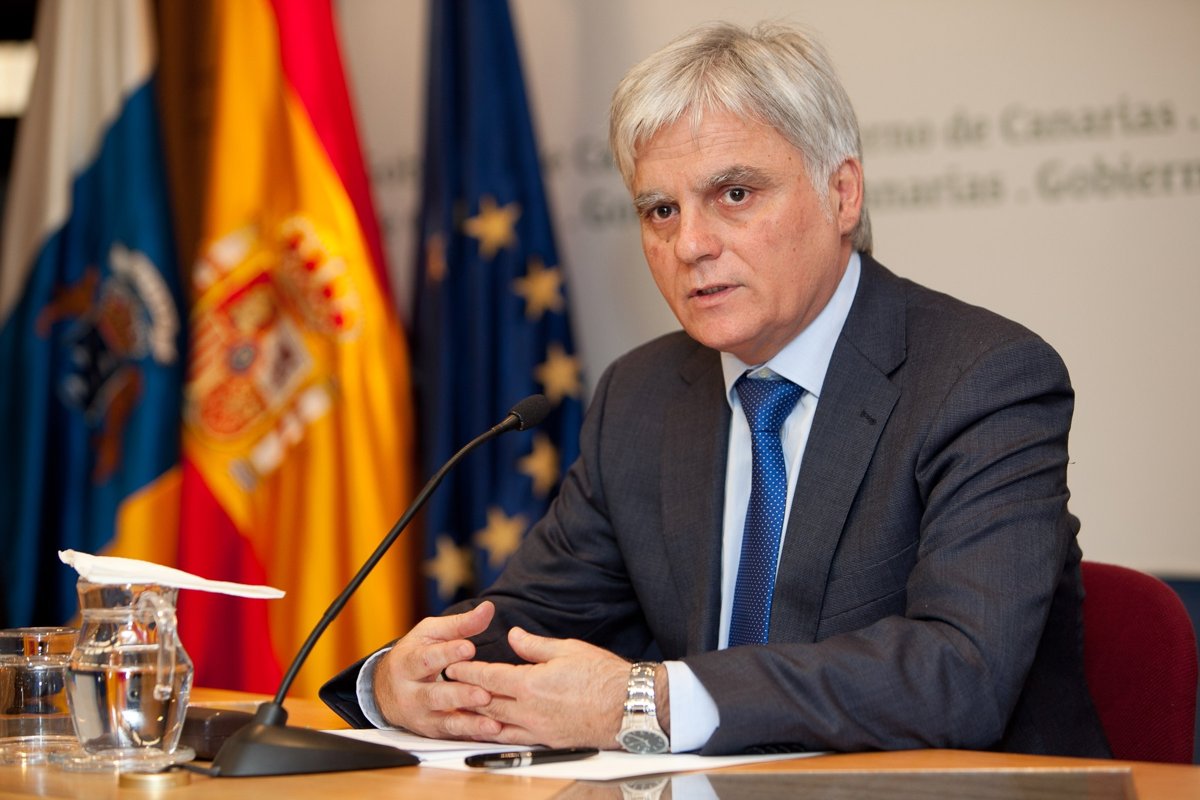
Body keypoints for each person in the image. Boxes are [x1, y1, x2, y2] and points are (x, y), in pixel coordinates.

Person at [321, 20, 1110, 758]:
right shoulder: (641, 397)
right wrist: (401, 681)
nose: (690, 244)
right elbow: (533, 622)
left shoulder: (983, 379)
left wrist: (649, 702)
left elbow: (957, 674)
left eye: (735, 194)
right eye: (660, 210)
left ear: (842, 194)